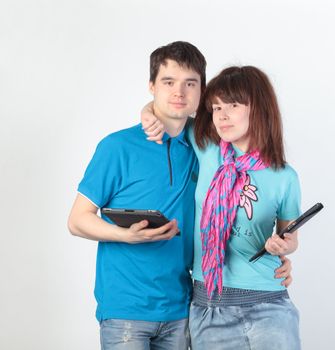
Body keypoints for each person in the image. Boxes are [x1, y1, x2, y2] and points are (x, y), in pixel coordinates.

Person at [142, 65, 301, 349]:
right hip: (209, 307)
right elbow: (166, 111)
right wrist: (146, 114)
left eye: (233, 105)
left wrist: (284, 246)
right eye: (215, 108)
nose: (222, 115)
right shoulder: (205, 147)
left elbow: (290, 238)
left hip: (269, 304)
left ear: (259, 108)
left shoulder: (284, 176)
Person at [68, 41, 205, 350]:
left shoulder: (204, 146)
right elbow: (77, 221)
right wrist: (125, 235)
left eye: (190, 83)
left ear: (201, 90)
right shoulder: (117, 147)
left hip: (182, 309)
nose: (179, 92)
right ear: (151, 86)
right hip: (125, 309)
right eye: (168, 82)